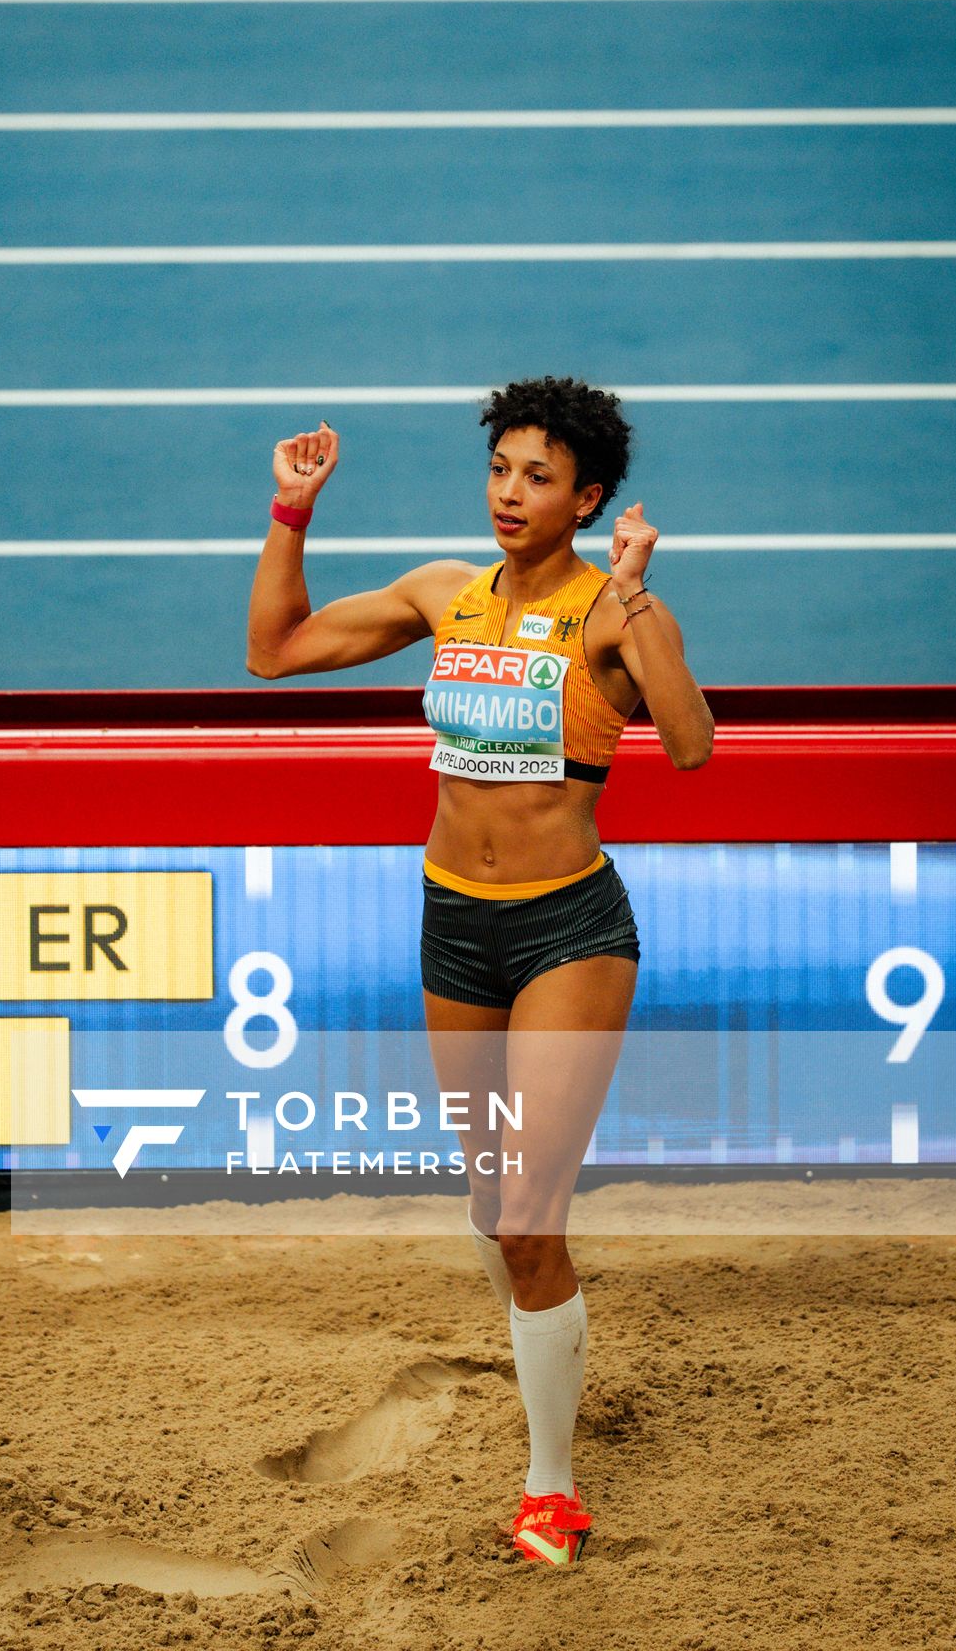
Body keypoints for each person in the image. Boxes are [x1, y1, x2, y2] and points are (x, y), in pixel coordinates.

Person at [245, 376, 714, 1567]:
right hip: (453, 928)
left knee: (520, 1218)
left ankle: (546, 1487)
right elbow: (275, 650)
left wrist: (637, 599)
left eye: (539, 478)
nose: (510, 494)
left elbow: (692, 744)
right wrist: (289, 515)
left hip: (568, 933)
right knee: (487, 1207)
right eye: (501, 470)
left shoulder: (608, 616)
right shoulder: (441, 595)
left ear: (587, 498)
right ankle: (536, 1306)